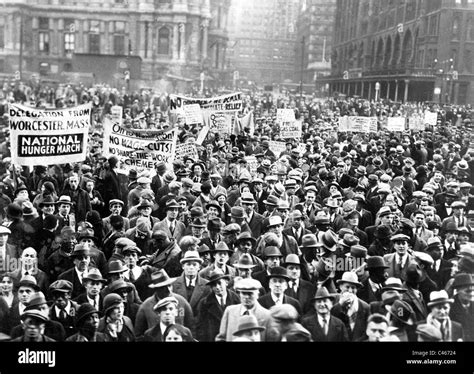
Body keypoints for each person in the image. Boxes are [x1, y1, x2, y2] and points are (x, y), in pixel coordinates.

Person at [134, 270, 194, 338]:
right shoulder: (145, 306)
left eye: (169, 285)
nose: (168, 290)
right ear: (156, 289)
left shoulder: (182, 302)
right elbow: (138, 335)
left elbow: (191, 328)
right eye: (163, 287)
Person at [195, 269, 240, 342]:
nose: (217, 287)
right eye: (214, 285)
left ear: (226, 282)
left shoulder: (237, 300)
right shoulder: (204, 304)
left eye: (219, 283)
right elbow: (200, 329)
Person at [331, 271, 370, 341]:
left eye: (353, 288)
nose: (350, 290)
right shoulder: (333, 301)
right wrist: (340, 305)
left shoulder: (365, 307)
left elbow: (367, 331)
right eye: (347, 287)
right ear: (340, 287)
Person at [449, 273, 474, 341]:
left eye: (473, 291)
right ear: (457, 291)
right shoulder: (450, 307)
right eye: (468, 291)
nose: (472, 294)